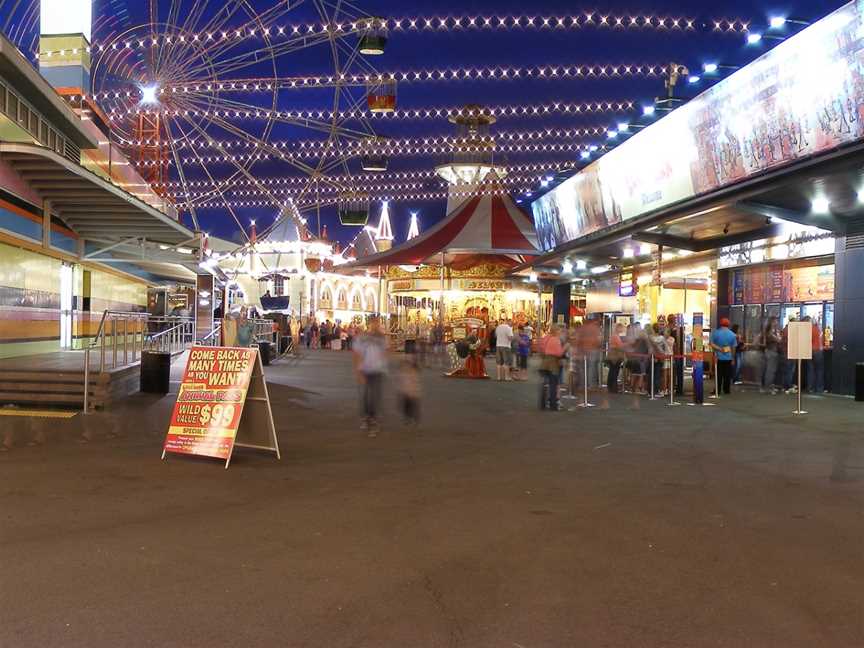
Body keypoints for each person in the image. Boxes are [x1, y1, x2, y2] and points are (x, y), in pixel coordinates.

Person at [353, 317, 388, 437]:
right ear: (370, 324)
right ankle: (366, 416)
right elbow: (357, 353)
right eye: (375, 323)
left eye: (378, 323)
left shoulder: (382, 338)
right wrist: (358, 371)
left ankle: (373, 420)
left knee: (375, 396)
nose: (377, 325)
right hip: (366, 369)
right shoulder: (363, 338)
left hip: (377, 370)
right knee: (366, 395)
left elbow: (385, 352)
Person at [538, 325, 565, 410]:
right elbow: (559, 353)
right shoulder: (555, 340)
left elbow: (541, 349)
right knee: (553, 384)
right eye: (559, 331)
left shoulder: (545, 338)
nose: (560, 333)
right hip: (553, 364)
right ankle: (553, 404)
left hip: (544, 363)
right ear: (556, 331)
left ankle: (543, 403)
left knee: (545, 383)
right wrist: (565, 348)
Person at [711, 317, 737, 395]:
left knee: (719, 374)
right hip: (728, 357)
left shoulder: (716, 333)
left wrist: (719, 349)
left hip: (718, 357)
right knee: (727, 374)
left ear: (720, 324)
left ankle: (717, 390)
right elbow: (734, 347)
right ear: (728, 325)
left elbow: (711, 344)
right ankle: (726, 390)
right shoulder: (732, 334)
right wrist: (733, 358)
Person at [397, 355, 421, 427]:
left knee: (413, 407)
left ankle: (415, 419)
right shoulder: (403, 372)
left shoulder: (414, 373)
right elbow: (400, 383)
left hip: (413, 394)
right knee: (405, 407)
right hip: (405, 393)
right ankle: (408, 419)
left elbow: (416, 383)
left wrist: (414, 392)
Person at [762, 317, 781, 394]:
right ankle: (768, 388)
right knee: (770, 371)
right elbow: (778, 340)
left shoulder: (770, 331)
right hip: (771, 352)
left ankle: (768, 387)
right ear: (772, 322)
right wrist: (778, 336)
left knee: (770, 371)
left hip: (770, 351)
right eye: (775, 321)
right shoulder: (770, 332)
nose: (777, 323)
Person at [806, 316, 825, 393]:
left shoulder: (807, 329)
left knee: (810, 370)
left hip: (809, 350)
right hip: (818, 350)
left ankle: (810, 388)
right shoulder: (818, 328)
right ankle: (819, 388)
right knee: (819, 370)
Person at [606, 323, 626, 393]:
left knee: (613, 371)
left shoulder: (615, 336)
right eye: (621, 328)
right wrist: (626, 345)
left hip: (614, 356)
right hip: (615, 357)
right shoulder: (615, 336)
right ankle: (613, 387)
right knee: (614, 372)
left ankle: (611, 386)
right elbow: (619, 346)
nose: (622, 329)